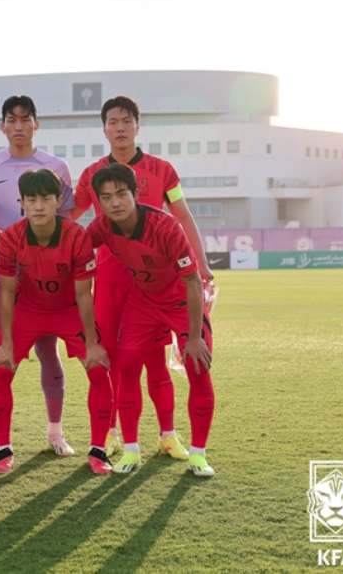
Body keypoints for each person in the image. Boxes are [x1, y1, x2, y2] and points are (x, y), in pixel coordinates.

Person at [71, 95, 213, 461]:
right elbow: (71, 217)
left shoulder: (163, 170)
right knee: (114, 361)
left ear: (137, 124)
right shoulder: (91, 175)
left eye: (126, 121)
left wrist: (202, 261)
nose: (119, 128)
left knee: (154, 359)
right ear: (104, 129)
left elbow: (183, 215)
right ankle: (113, 435)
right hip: (110, 282)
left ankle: (168, 435)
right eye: (112, 122)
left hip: (154, 284)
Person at [0, 95, 77, 456]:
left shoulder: (56, 167)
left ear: (35, 124)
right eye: (10, 120)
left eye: (24, 119)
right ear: (2, 126)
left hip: (46, 278)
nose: (17, 126)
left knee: (48, 351)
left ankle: (55, 432)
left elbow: (69, 221)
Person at [86, 164, 215, 477]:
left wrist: (195, 336)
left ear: (135, 194)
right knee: (127, 365)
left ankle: (199, 455)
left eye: (121, 194)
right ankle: (131, 451)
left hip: (181, 301)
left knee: (197, 367)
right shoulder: (103, 226)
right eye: (106, 197)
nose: (115, 202)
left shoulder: (166, 227)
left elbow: (194, 282)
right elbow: (74, 249)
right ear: (99, 202)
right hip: (143, 302)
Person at [0, 169, 112, 474]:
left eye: (46, 198)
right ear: (22, 203)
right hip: (29, 310)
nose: (39, 205)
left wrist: (93, 344)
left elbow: (85, 295)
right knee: (2, 370)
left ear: (58, 201)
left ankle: (98, 451)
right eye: (31, 199)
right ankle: (3, 450)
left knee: (98, 369)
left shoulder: (77, 236)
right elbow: (6, 292)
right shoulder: (11, 237)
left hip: (69, 309)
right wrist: (5, 343)